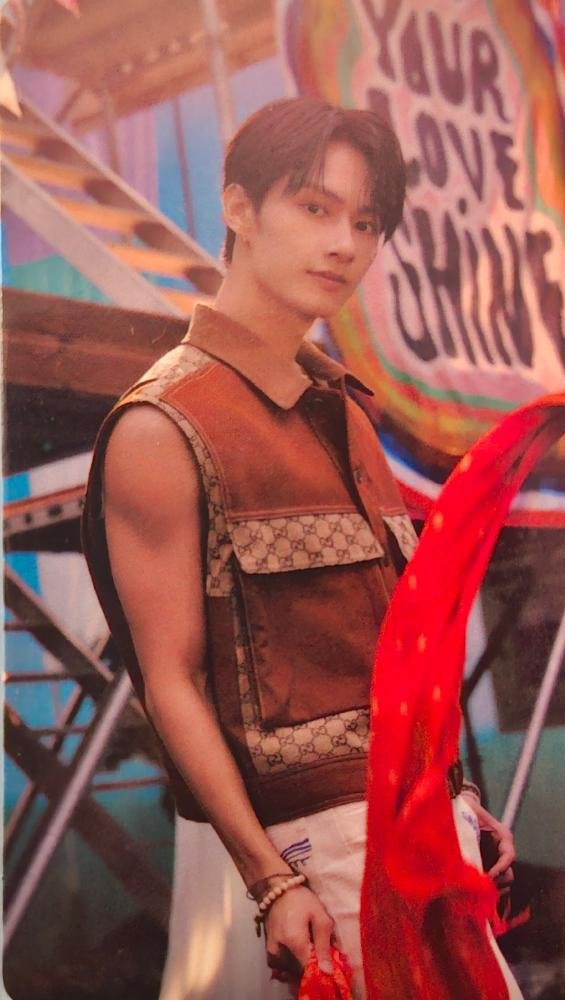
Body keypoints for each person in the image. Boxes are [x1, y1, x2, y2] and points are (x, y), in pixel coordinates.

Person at [82, 96, 520, 998]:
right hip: (323, 852)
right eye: (314, 208)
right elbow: (170, 680)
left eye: (365, 222)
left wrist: (459, 795)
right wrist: (270, 880)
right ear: (239, 209)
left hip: (432, 827)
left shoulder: (346, 412)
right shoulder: (163, 424)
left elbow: (384, 641)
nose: (343, 245)